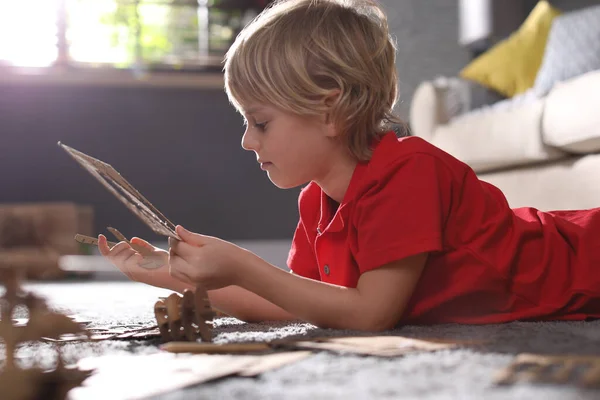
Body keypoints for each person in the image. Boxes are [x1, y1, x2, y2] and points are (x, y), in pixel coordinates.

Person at [98, 0, 600, 331]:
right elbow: (295, 302)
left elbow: (369, 314)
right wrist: (174, 276)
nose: (247, 141)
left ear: (330, 110)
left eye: (261, 123)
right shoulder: (318, 198)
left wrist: (245, 265)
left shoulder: (408, 172)